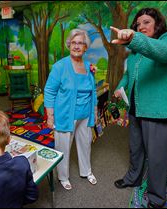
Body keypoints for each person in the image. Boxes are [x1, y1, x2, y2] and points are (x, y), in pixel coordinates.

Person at [111, 8, 167, 208]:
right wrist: (120, 87)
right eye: (138, 24)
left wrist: (133, 37)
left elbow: (164, 53)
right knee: (135, 149)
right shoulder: (136, 53)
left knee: (157, 159)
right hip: (137, 108)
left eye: (146, 22)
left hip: (160, 112)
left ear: (157, 24)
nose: (140, 26)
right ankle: (133, 178)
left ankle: (156, 199)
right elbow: (129, 75)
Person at [44, 28, 98, 190]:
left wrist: (94, 112)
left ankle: (86, 171)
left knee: (85, 143)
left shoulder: (89, 67)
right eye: (74, 42)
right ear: (69, 45)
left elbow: (92, 90)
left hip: (85, 114)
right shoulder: (60, 66)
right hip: (66, 114)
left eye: (80, 43)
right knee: (63, 146)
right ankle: (63, 177)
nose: (76, 46)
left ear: (86, 47)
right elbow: (49, 91)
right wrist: (50, 116)